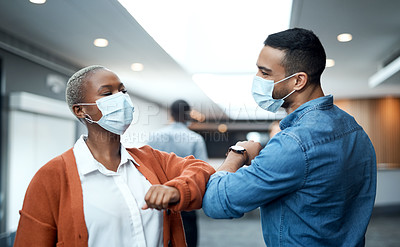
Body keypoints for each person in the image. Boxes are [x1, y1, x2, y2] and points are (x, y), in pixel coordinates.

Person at [202, 28, 377, 246]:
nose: (257, 79)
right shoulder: (355, 131)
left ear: (298, 81)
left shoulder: (293, 143)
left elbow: (216, 201)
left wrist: (237, 153)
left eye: (265, 74)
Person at [13, 65, 215, 247]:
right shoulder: (51, 177)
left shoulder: (150, 159)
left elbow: (203, 169)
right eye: (107, 93)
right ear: (80, 110)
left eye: (123, 91)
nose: (121, 98)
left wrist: (176, 189)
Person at [147, 99, 208, 247]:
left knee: (158, 238)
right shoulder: (195, 139)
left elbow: (146, 166)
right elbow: (202, 170)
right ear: (188, 114)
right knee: (187, 240)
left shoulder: (154, 136)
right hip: (184, 198)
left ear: (171, 113)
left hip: (158, 198)